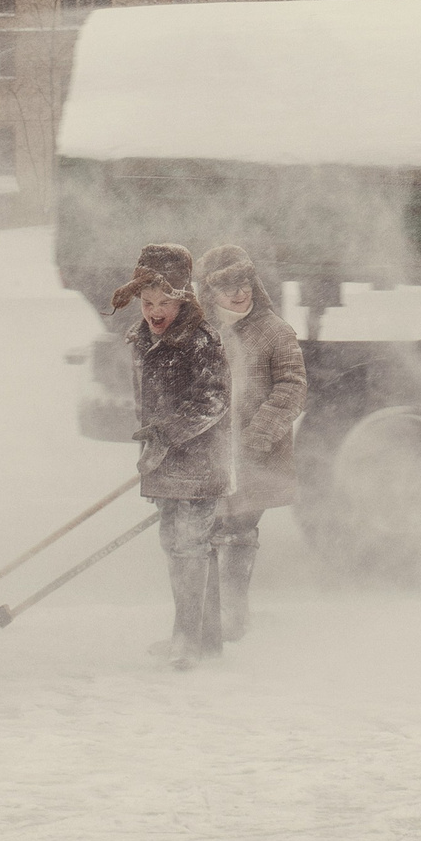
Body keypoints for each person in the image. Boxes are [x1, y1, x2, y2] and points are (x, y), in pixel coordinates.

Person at [110, 244, 233, 668]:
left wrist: (165, 434)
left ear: (183, 299)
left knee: (190, 546)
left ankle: (189, 641)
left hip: (201, 464)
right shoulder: (142, 338)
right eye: (147, 302)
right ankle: (201, 638)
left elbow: (214, 400)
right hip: (164, 463)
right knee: (175, 545)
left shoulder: (200, 341)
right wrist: (151, 442)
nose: (155, 311)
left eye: (165, 302)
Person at [194, 245, 308, 642]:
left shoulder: (275, 330)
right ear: (209, 293)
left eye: (244, 283)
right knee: (205, 533)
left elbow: (292, 388)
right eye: (228, 288)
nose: (239, 294)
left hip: (259, 455)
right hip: (211, 453)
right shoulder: (201, 333)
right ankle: (205, 623)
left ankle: (234, 616)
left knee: (239, 529)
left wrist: (258, 436)